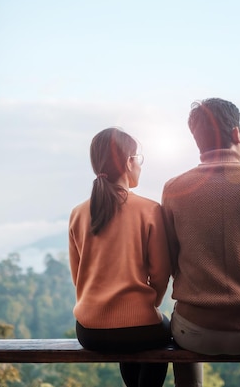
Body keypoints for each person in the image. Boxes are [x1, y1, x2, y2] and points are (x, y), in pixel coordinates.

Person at [162, 98, 240, 387]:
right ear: (236, 134)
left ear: (197, 141)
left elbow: (170, 258)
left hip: (192, 328)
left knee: (182, 336)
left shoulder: (173, 190)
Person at [69, 127, 172, 387]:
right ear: (129, 162)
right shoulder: (149, 210)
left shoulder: (78, 213)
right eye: (139, 158)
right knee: (160, 333)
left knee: (130, 335)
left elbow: (78, 276)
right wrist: (148, 306)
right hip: (141, 328)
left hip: (89, 331)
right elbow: (161, 273)